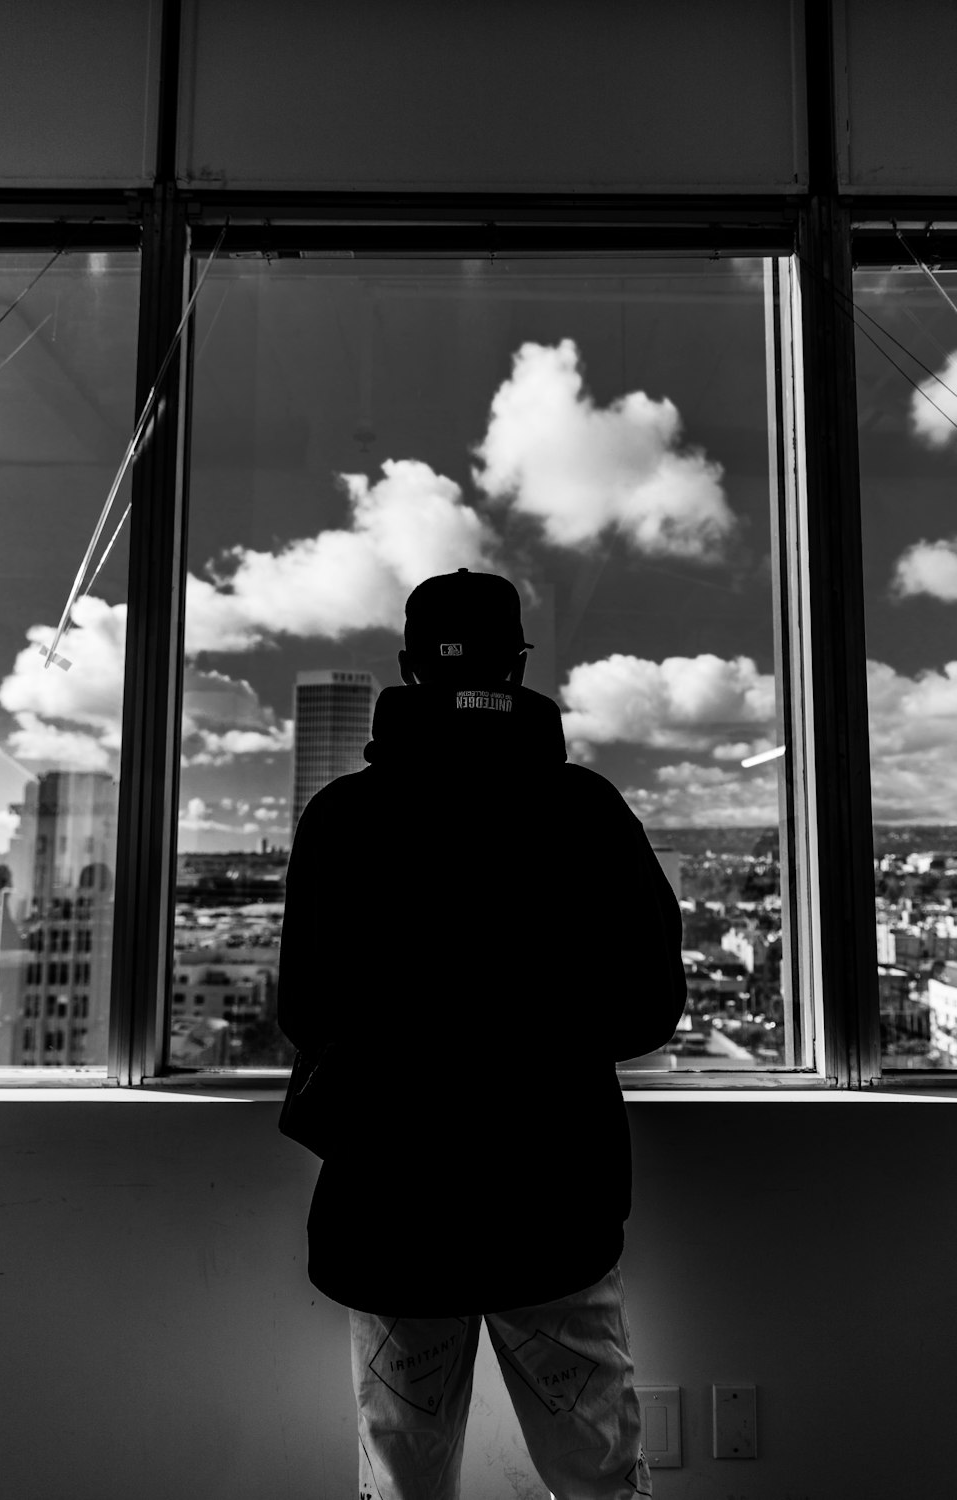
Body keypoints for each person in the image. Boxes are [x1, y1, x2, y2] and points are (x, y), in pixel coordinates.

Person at [277, 567, 687, 1500]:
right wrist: (537, 1047)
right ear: (518, 664)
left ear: (409, 667)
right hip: (552, 1197)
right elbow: (650, 1006)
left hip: (391, 1203)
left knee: (403, 1480)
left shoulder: (342, 819)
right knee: (597, 1479)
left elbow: (303, 1010)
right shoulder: (586, 811)